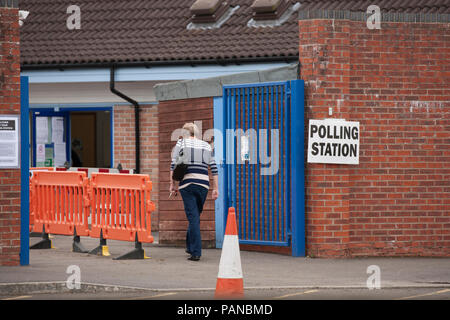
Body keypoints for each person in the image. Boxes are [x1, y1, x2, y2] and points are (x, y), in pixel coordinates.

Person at [169, 123, 219, 261]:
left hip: (188, 184)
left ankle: (196, 252)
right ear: (196, 133)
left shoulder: (181, 142)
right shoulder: (207, 145)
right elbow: (214, 168)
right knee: (195, 216)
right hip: (203, 185)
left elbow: (173, 164)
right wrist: (216, 188)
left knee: (194, 218)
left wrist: (172, 184)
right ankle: (190, 247)